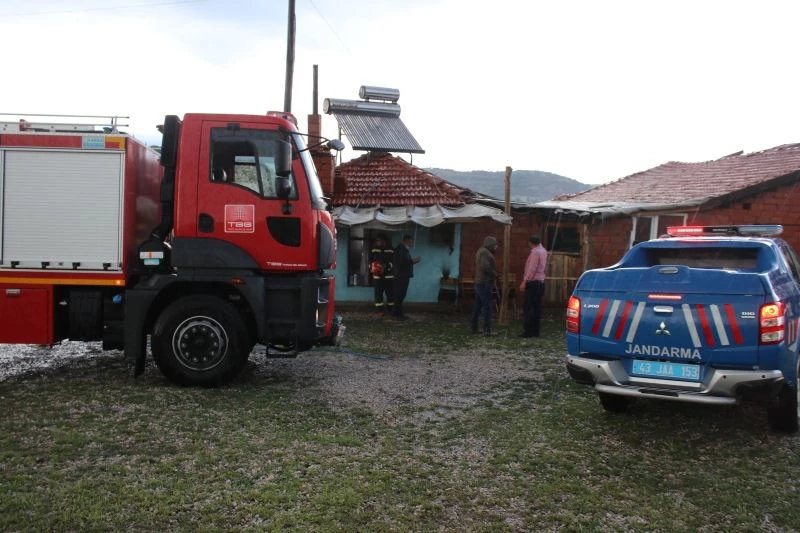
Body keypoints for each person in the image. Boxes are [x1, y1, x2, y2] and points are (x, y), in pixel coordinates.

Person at [519, 235, 548, 337]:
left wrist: (525, 281)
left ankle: (528, 332)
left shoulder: (535, 252)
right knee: (537, 308)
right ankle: (536, 331)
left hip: (533, 283)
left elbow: (532, 268)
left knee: (528, 307)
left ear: (531, 243)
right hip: (540, 282)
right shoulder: (543, 251)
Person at [471, 236, 498, 336]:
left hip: (481, 282)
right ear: (490, 245)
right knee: (487, 306)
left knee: (478, 306)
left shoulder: (482, 251)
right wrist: (494, 273)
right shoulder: (485, 252)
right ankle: (487, 330)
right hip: (484, 283)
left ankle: (474, 328)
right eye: (494, 245)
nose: (496, 247)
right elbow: (485, 266)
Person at [392, 234, 421, 320]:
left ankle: (397, 313)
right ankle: (398, 314)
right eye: (411, 241)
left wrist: (412, 261)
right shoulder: (401, 249)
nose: (411, 243)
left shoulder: (403, 249)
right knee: (400, 294)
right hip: (401, 276)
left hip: (402, 275)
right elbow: (401, 262)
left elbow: (403, 261)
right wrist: (413, 261)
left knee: (401, 294)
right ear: (406, 240)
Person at [369, 234, 394, 315]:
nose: (377, 242)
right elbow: (369, 261)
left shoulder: (391, 250)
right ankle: (379, 311)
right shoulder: (373, 250)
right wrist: (373, 267)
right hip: (377, 277)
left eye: (379, 240)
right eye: (377, 240)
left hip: (388, 277)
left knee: (390, 294)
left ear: (384, 241)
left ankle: (391, 310)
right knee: (378, 295)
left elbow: (394, 262)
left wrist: (386, 266)